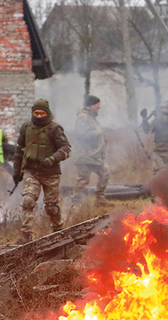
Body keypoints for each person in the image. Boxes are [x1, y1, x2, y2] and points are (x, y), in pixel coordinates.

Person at [12, 99, 71, 244]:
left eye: (42, 113)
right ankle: (26, 236)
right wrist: (17, 171)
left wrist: (52, 159)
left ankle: (58, 231)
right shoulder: (26, 127)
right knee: (28, 200)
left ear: (47, 113)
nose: (39, 116)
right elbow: (19, 150)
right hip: (32, 171)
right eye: (36, 113)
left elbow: (66, 149)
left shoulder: (54, 129)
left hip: (51, 173)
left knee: (51, 207)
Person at [72, 95, 110, 207]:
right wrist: (98, 134)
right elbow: (81, 134)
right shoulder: (83, 117)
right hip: (85, 154)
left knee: (105, 173)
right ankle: (75, 202)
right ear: (90, 105)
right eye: (97, 104)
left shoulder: (91, 117)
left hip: (95, 154)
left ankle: (100, 199)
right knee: (83, 180)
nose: (99, 107)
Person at [141, 99, 168, 173]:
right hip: (158, 148)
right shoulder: (158, 118)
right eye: (163, 108)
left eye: (167, 108)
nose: (165, 109)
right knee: (157, 170)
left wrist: (158, 116)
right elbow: (147, 130)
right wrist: (144, 119)